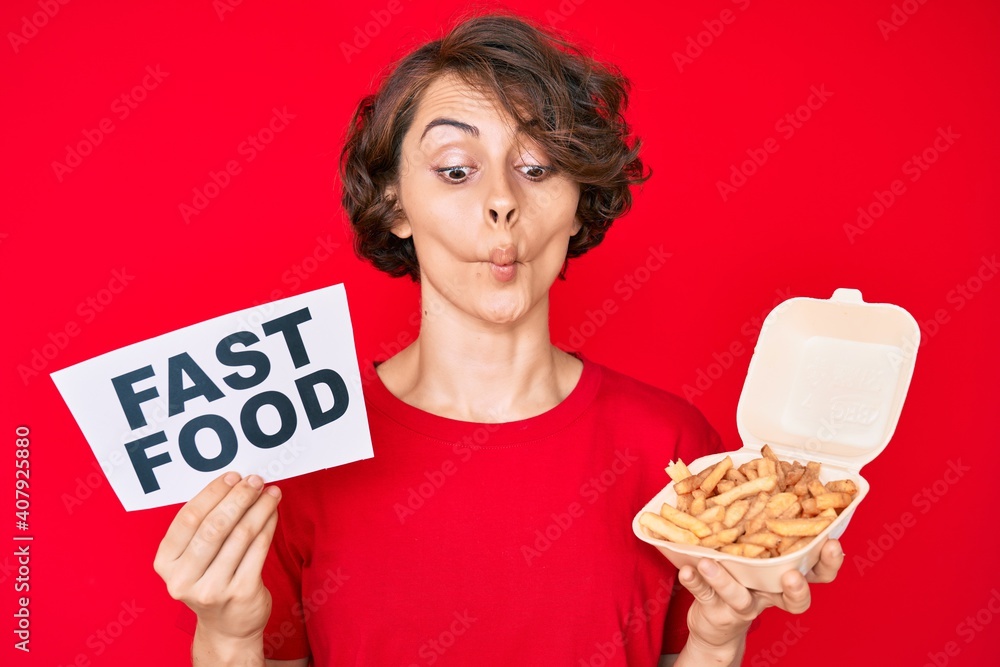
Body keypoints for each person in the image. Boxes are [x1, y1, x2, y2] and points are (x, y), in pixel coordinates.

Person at [155, 11, 844, 666]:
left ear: (577, 203)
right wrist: (224, 635)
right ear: (395, 204)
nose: (502, 200)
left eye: (538, 167)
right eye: (456, 169)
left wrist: (717, 641)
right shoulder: (304, 454)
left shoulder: (672, 447)